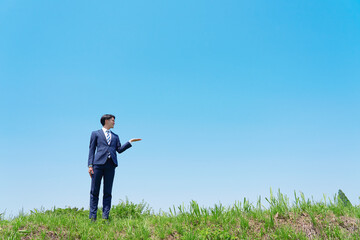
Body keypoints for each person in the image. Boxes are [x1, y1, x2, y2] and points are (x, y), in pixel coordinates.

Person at [88, 114, 141, 222]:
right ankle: (93, 218)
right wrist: (90, 166)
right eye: (113, 120)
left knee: (108, 192)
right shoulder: (95, 134)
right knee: (94, 191)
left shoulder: (115, 136)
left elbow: (119, 150)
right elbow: (91, 150)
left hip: (111, 165)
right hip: (97, 165)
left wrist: (129, 142)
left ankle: (105, 218)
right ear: (106, 121)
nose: (114, 122)